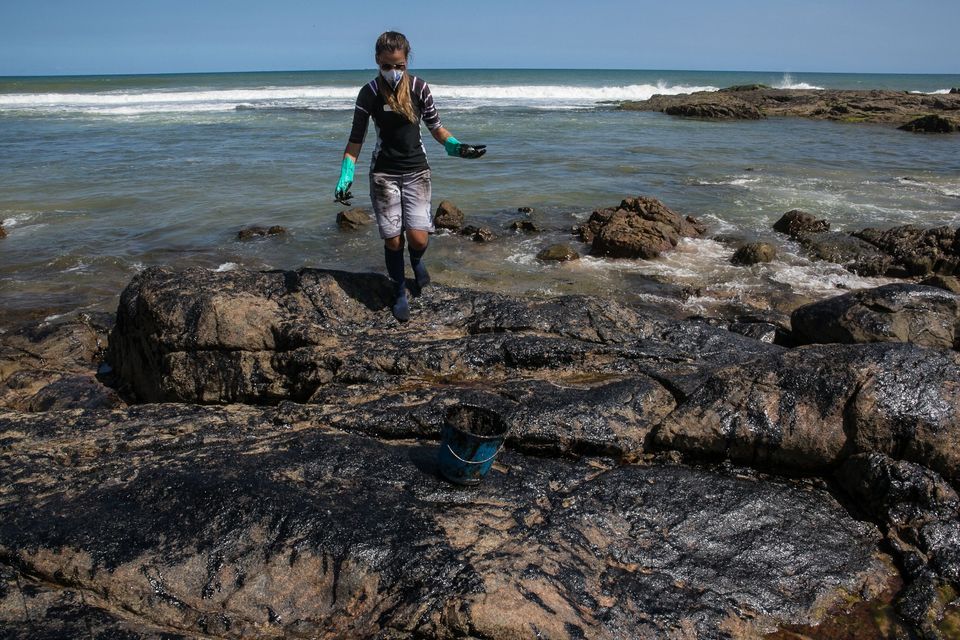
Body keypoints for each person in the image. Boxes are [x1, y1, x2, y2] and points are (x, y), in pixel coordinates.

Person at [335, 31, 486, 322]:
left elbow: (436, 129)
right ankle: (400, 290)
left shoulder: (420, 88)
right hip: (384, 175)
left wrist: (458, 148)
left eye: (399, 65)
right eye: (388, 65)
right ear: (378, 61)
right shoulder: (368, 93)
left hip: (417, 172)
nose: (394, 71)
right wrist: (345, 175)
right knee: (393, 241)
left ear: (407, 62)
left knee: (417, 239)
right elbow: (356, 140)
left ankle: (416, 262)